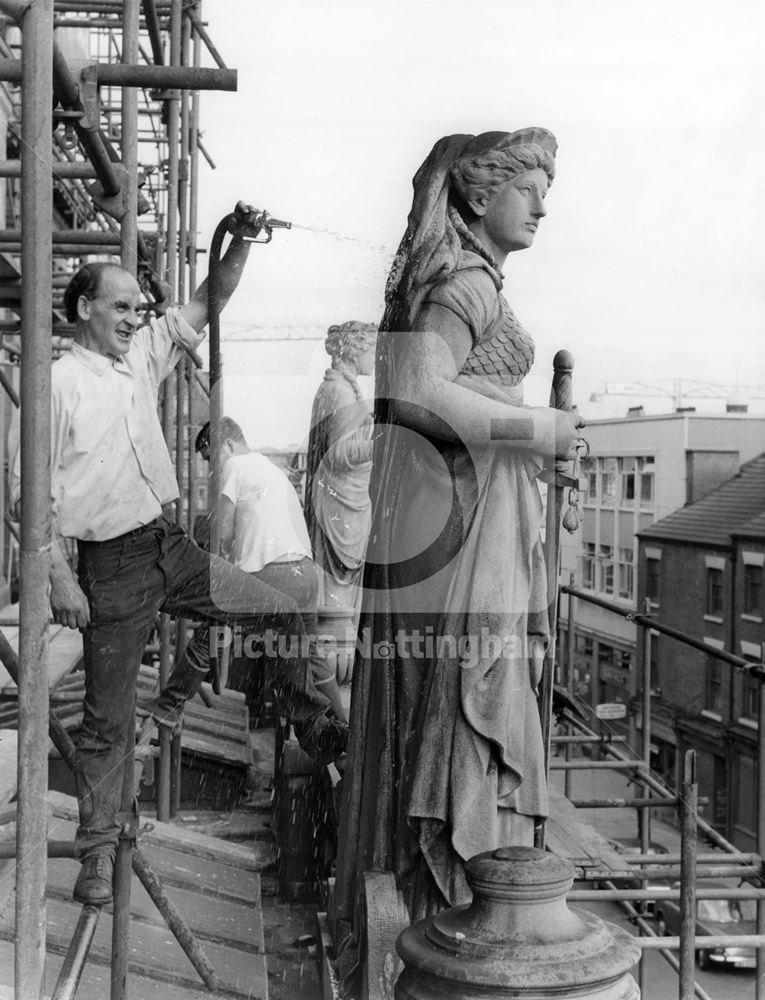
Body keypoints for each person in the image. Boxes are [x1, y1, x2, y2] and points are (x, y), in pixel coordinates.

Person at [10, 203, 341, 907]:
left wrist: (240, 240)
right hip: (109, 570)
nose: (135, 317)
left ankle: (316, 723)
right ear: (83, 307)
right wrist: (61, 578)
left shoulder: (145, 357)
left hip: (169, 548)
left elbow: (207, 300)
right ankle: (98, 855)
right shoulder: (55, 385)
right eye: (121, 306)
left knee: (280, 610)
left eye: (139, 307)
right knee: (105, 721)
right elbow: (24, 497)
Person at [332, 129, 581, 974]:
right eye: (529, 186)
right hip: (473, 527)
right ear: (479, 198)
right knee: (482, 699)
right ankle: (466, 901)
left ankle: (456, 889)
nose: (543, 204)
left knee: (471, 695)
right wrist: (536, 427)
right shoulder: (465, 279)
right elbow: (416, 393)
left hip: (467, 515)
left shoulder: (454, 275)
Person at [143, 416, 348, 728]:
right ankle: (341, 736)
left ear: (227, 444)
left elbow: (221, 534)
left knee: (211, 625)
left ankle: (169, 706)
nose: (213, 468)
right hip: (304, 574)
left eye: (212, 458)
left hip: (271, 570)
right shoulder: (270, 469)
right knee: (312, 658)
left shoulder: (235, 466)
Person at [304, 321, 376, 615]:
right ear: (355, 350)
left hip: (344, 501)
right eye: (372, 350)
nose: (375, 357)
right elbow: (338, 454)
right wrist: (383, 441)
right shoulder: (339, 391)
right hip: (338, 505)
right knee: (337, 604)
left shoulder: (342, 388)